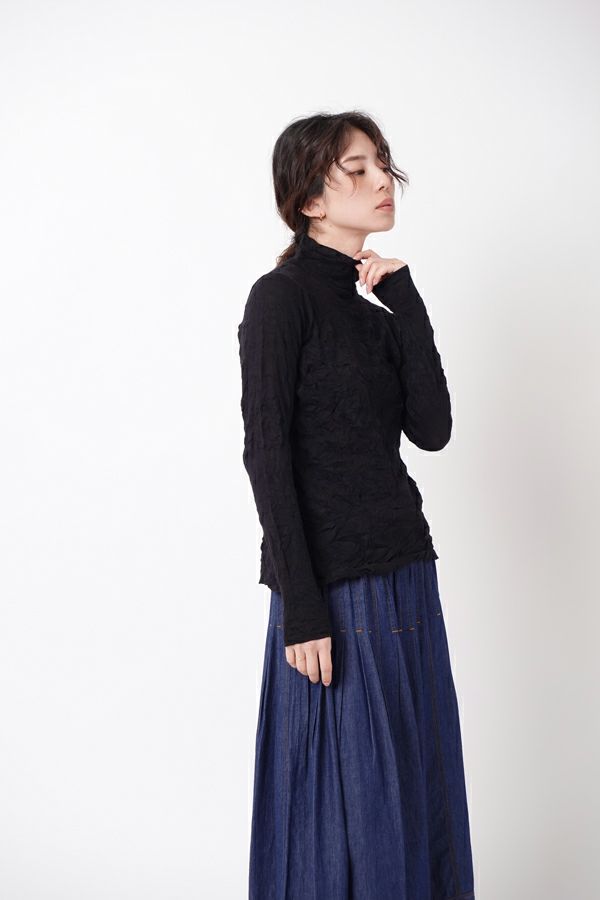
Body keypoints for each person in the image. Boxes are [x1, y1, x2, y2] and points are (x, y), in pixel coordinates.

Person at [237, 110, 475, 899]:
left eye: (382, 164)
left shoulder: (377, 316)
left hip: (407, 569)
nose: (382, 182)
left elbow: (432, 431)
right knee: (339, 801)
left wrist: (407, 303)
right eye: (359, 168)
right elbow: (267, 454)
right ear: (310, 199)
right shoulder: (280, 300)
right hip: (331, 587)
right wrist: (302, 607)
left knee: (411, 781)